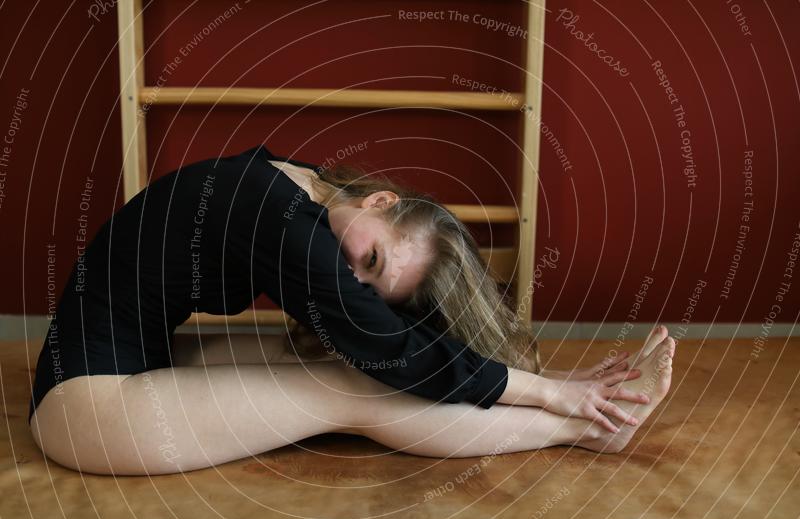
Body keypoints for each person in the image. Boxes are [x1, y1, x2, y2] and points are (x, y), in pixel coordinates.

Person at [28, 144, 675, 476]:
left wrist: (542, 385)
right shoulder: (284, 221)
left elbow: (396, 336)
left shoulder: (305, 186)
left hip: (134, 359)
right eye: (370, 260)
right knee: (356, 386)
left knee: (319, 356)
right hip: (85, 408)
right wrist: (553, 396)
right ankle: (588, 430)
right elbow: (395, 352)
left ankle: (581, 417)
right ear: (379, 202)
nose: (348, 276)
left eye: (369, 283)